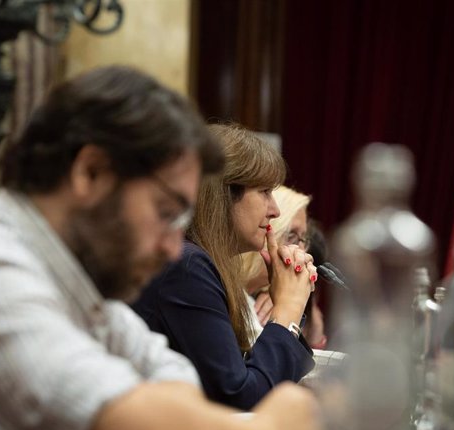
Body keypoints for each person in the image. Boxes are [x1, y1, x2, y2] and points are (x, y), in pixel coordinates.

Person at [0, 66, 325, 430]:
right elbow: (130, 429)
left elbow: (173, 385)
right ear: (91, 172)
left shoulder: (73, 279)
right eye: (166, 212)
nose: (174, 248)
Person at [131, 123, 318, 411]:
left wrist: (289, 307)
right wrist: (287, 312)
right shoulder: (188, 266)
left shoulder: (194, 261)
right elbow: (240, 399)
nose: (275, 210)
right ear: (225, 194)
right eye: (265, 192)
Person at [241, 186, 327, 349]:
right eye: (292, 236)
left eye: (303, 238)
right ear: (263, 230)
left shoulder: (270, 298)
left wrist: (308, 308)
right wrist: (291, 305)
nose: (302, 251)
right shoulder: (219, 287)